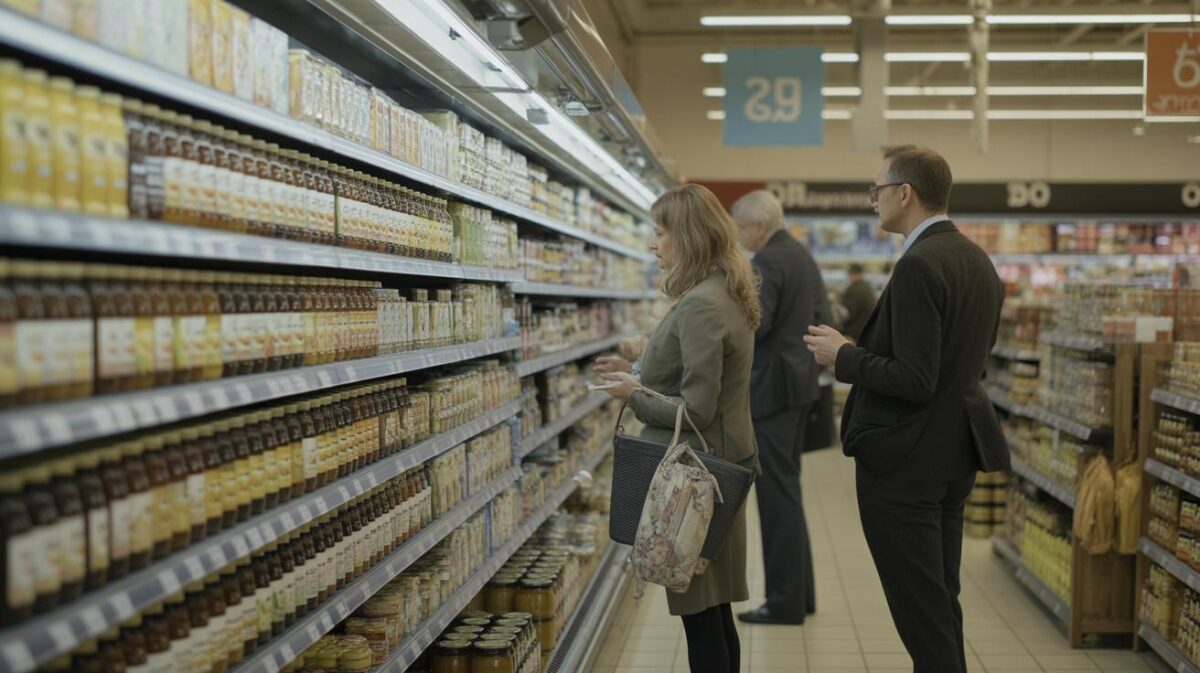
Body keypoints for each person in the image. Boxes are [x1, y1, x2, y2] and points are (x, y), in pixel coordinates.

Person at [803, 145, 1009, 673]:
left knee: (921, 614)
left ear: (904, 193)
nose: (873, 201)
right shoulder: (977, 260)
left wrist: (843, 355)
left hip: (907, 462)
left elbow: (916, 379)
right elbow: (953, 367)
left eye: (876, 190)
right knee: (939, 601)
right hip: (953, 454)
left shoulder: (920, 264)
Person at [595, 183, 759, 673]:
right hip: (723, 464)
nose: (653, 243)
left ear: (686, 238)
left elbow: (696, 410)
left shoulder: (701, 303)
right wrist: (645, 358)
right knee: (714, 608)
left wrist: (633, 395)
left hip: (697, 478)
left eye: (660, 232)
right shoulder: (723, 290)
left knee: (700, 615)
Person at [728, 189, 829, 625]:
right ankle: (799, 595)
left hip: (771, 391)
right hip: (798, 387)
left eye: (741, 229)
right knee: (788, 492)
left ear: (758, 227)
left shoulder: (767, 261)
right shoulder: (802, 255)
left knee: (776, 497)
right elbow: (823, 313)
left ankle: (784, 601)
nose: (739, 237)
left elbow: (757, 323)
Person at [841, 263, 877, 343]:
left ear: (851, 274)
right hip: (867, 333)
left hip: (854, 335)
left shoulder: (853, 289)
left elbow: (846, 314)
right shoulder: (868, 288)